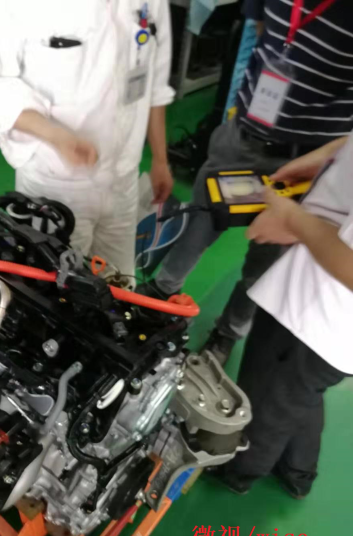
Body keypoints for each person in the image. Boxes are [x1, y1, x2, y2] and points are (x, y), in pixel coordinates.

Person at [138, 0, 353, 363]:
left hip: (303, 162)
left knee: (265, 261)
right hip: (240, 137)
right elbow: (262, 32)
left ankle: (228, 332)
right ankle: (161, 296)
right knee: (198, 224)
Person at [0, 0, 174, 282]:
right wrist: (54, 135)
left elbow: (155, 83)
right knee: (54, 293)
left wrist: (161, 160)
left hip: (123, 180)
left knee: (120, 286)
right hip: (55, 185)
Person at [217, 133, 353, 499]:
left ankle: (238, 471)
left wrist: (292, 219)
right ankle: (298, 471)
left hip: (319, 315)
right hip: (325, 322)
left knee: (266, 403)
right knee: (299, 392)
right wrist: (327, 156)